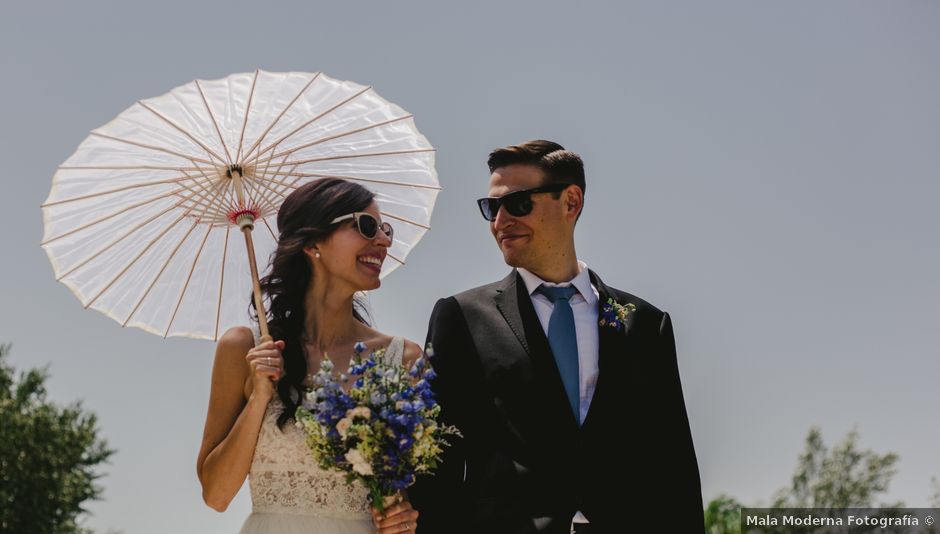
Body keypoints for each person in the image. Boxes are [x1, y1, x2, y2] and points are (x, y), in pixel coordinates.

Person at [408, 140, 705, 533]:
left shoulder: (646, 324)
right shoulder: (461, 317)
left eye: (517, 204)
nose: (500, 221)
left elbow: (673, 468)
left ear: (571, 202)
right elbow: (439, 465)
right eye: (490, 208)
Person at [197, 177, 424, 534]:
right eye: (366, 226)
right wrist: (259, 398)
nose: (382, 241)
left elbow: (408, 492)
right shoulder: (243, 347)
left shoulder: (403, 360)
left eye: (385, 230)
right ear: (313, 242)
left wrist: (404, 514)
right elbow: (217, 495)